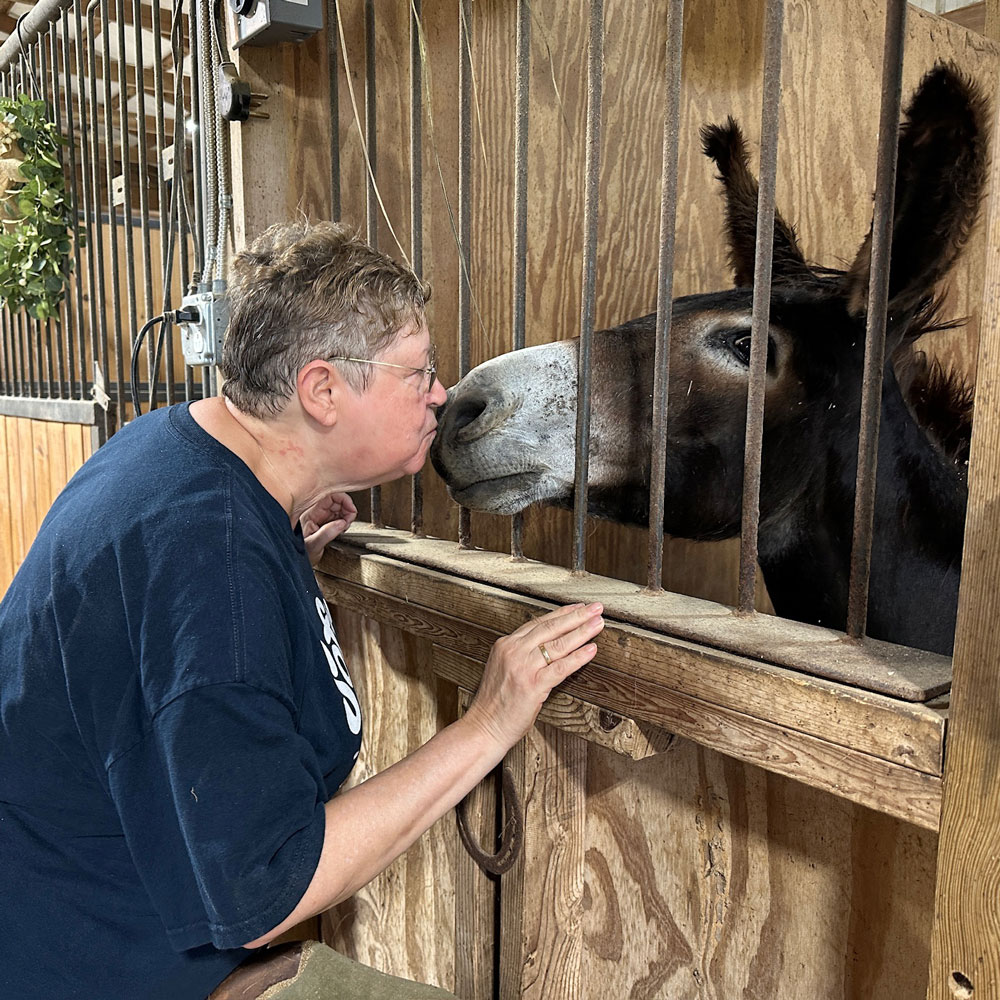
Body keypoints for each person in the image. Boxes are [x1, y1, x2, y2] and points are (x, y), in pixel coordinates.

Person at [0, 221, 605, 1000]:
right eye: (416, 373)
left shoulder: (180, 453)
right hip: (88, 965)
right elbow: (266, 893)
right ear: (321, 391)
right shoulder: (212, 564)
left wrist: (282, 564)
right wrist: (487, 724)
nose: (441, 394)